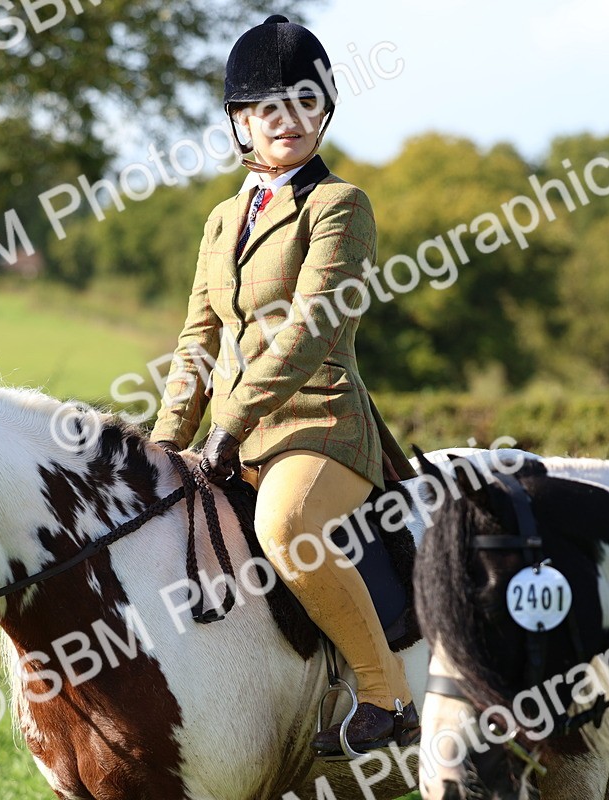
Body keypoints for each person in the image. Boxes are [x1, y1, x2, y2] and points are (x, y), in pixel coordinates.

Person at [149, 14, 420, 755]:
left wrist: (228, 424)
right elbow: (197, 340)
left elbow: (308, 334)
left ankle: (385, 694)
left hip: (319, 425)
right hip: (230, 435)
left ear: (325, 109)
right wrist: (163, 444)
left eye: (305, 103)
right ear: (240, 120)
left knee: (284, 528)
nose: (288, 121)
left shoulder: (341, 207)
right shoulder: (220, 220)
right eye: (269, 107)